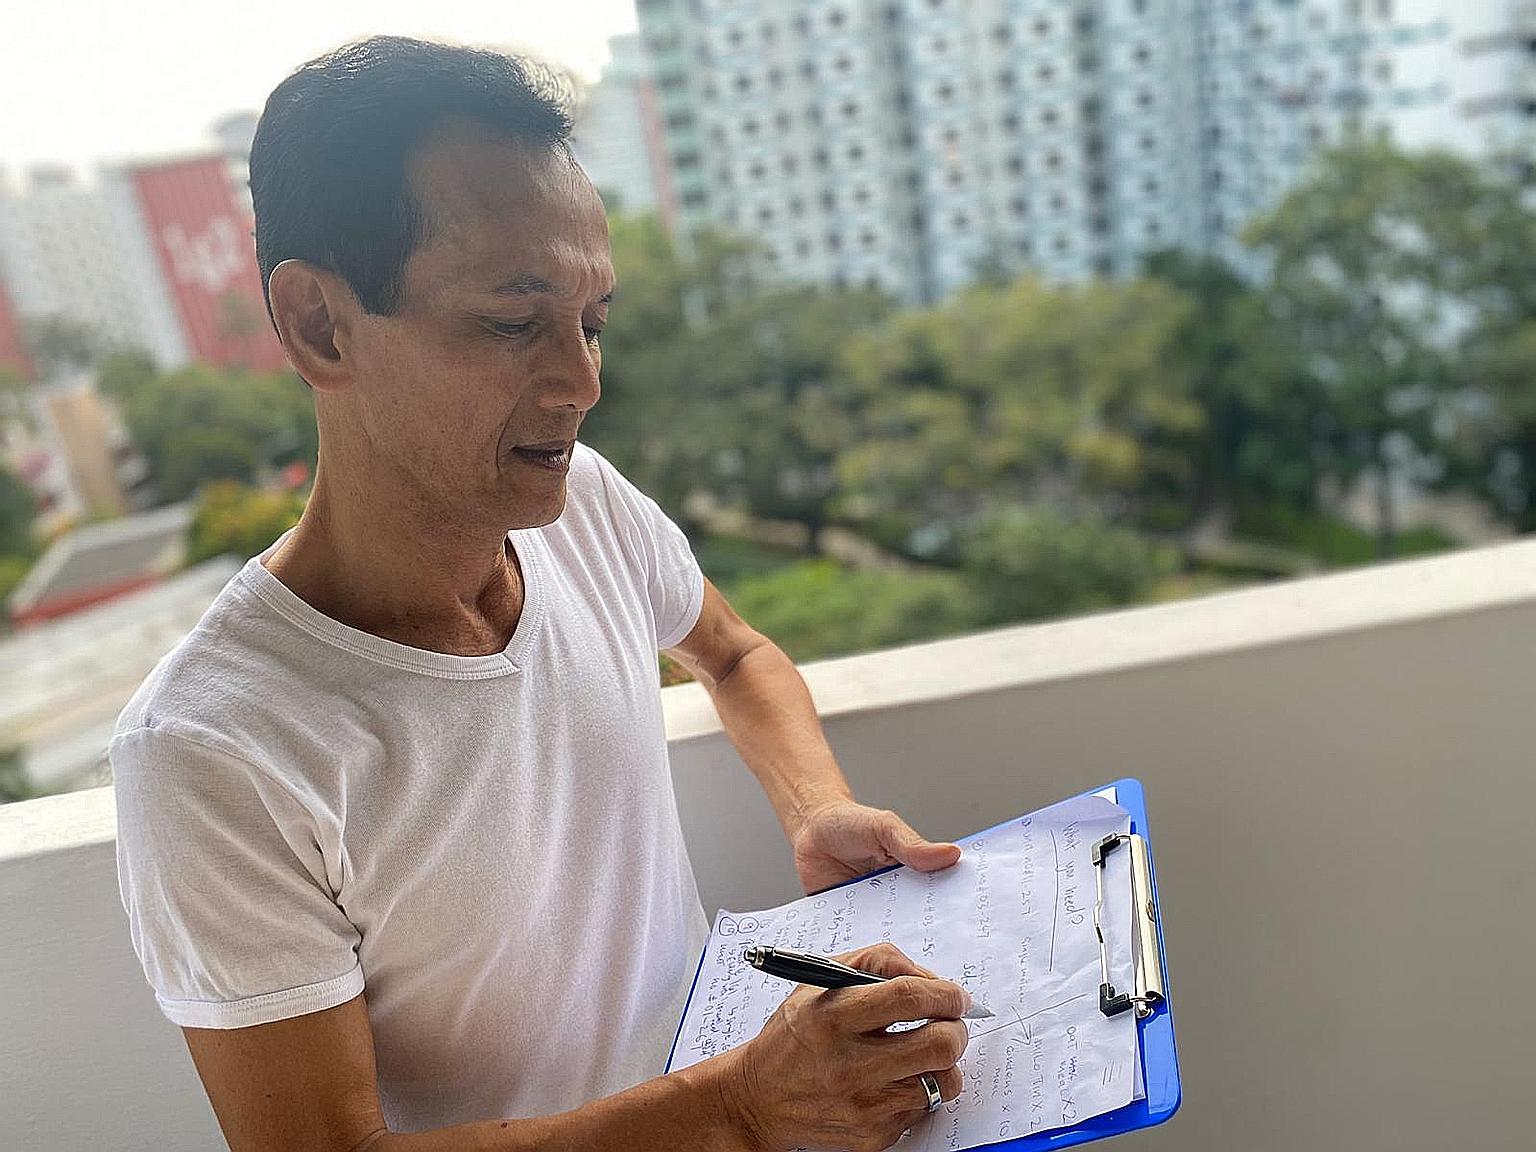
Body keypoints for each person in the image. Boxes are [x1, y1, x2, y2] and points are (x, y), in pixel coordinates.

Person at [111, 35, 972, 1152]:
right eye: (514, 324)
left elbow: (736, 654)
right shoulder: (213, 749)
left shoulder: (582, 510)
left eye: (593, 320)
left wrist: (815, 810)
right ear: (320, 324)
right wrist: (741, 1108)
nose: (582, 381)